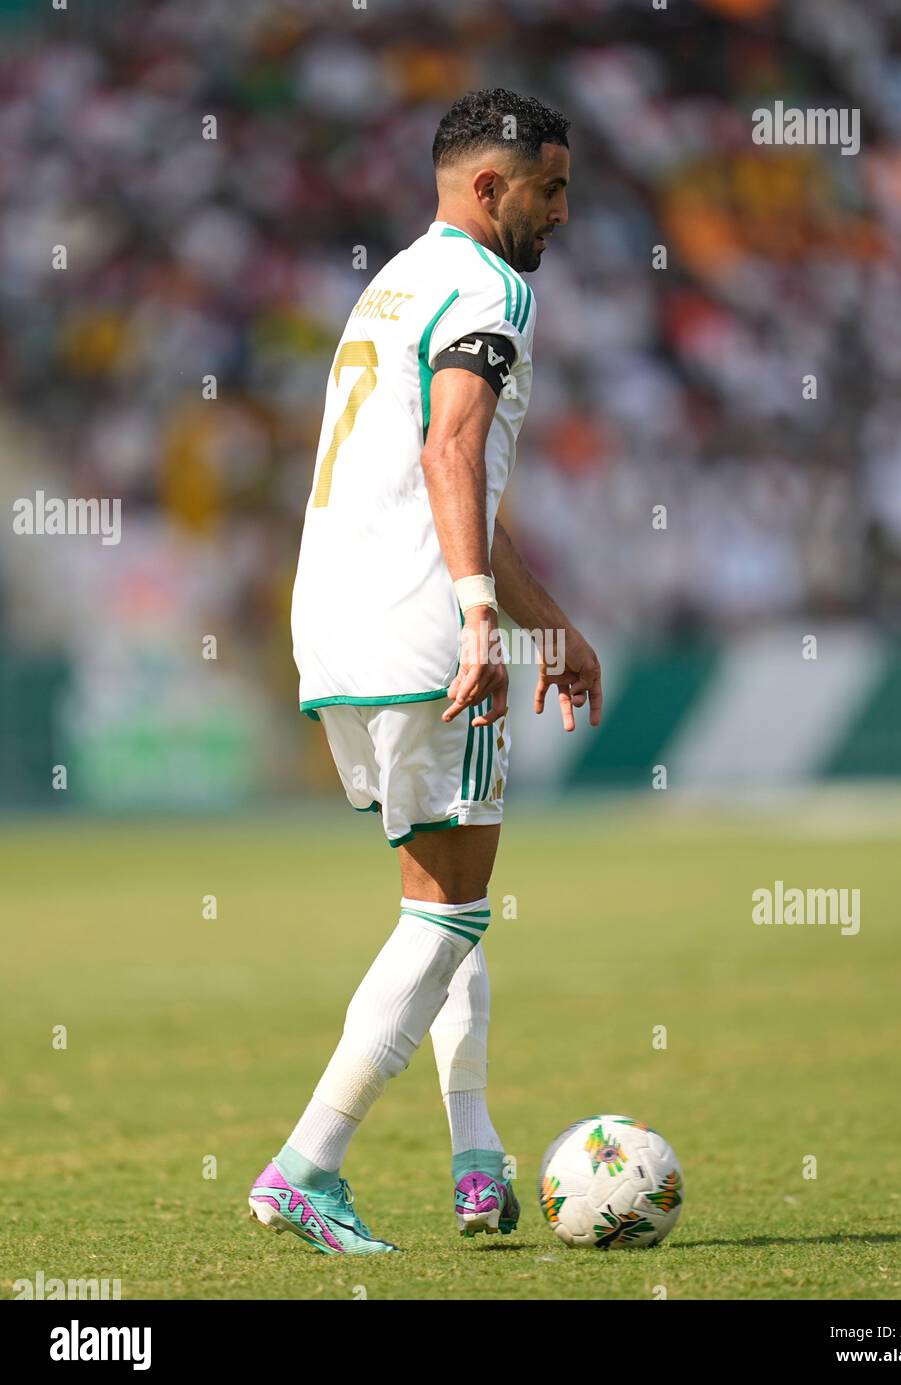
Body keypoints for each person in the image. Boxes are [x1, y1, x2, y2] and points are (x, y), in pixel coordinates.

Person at [248, 88, 601, 1254]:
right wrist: (479, 620)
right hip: (420, 628)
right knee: (452, 911)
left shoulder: (392, 282)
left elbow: (447, 481)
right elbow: (455, 447)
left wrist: (545, 618)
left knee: (440, 905)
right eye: (548, 187)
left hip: (339, 626)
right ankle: (308, 1163)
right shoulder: (490, 289)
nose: (562, 209)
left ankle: (472, 1150)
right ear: (488, 186)